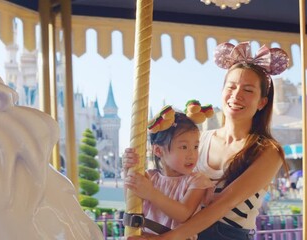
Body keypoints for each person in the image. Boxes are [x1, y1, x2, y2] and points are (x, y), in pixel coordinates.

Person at [124, 41, 290, 240]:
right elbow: (165, 178)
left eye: (248, 90)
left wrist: (167, 239)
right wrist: (131, 168)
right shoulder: (199, 140)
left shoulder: (267, 151)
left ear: (262, 102)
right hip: (184, 232)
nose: (236, 95)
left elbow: (223, 204)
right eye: (231, 87)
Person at [123, 105, 214, 237]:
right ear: (158, 150)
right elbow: (131, 201)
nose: (192, 154)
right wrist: (128, 170)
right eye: (184, 147)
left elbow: (183, 213)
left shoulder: (197, 181)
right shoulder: (150, 177)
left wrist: (151, 193)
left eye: (195, 146)